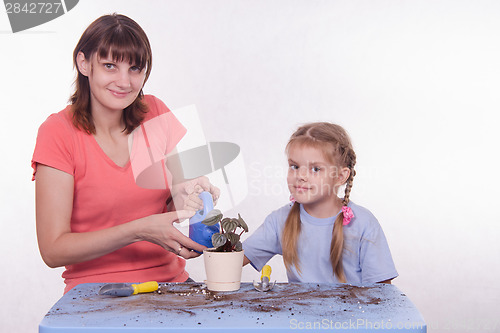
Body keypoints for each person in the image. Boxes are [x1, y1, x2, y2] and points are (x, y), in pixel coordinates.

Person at [31, 14, 219, 293]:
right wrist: (137, 230)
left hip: (167, 284)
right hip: (95, 292)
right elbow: (53, 250)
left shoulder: (155, 113)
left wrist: (188, 194)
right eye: (110, 66)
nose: (124, 81)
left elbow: (172, 203)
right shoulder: (58, 133)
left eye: (135, 68)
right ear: (84, 63)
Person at [243, 122, 398, 284]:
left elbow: (382, 294)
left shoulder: (363, 223)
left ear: (340, 176)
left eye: (315, 169)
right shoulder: (279, 220)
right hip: (298, 309)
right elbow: (231, 261)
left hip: (353, 310)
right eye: (294, 166)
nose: (301, 176)